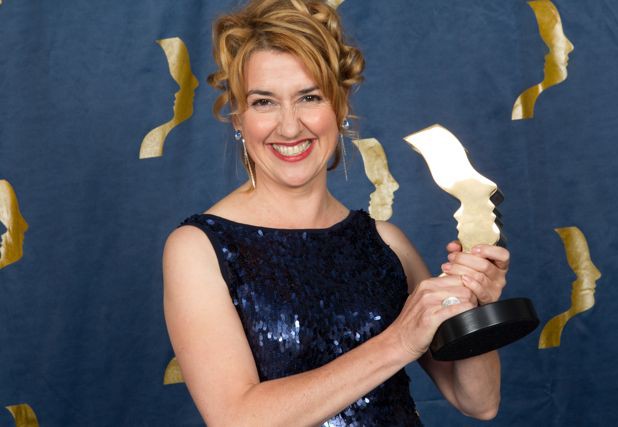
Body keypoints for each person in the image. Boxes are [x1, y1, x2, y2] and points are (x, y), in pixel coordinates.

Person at [163, 0, 509, 425]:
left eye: (309, 97)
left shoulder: (386, 244)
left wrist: (473, 302)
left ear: (340, 106)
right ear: (238, 116)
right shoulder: (199, 249)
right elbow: (237, 419)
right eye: (264, 102)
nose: (290, 127)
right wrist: (399, 340)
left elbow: (478, 401)